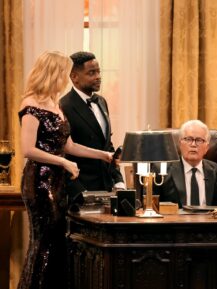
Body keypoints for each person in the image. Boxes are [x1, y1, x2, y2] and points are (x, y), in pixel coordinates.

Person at [17, 51, 113, 289]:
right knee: (44, 242)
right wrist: (63, 162)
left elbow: (68, 145)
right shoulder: (30, 103)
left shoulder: (54, 104)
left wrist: (103, 155)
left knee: (58, 241)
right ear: (53, 73)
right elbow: (27, 149)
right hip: (40, 181)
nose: (66, 78)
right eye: (63, 73)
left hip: (57, 182)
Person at [60, 51, 124, 195]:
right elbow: (63, 152)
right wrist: (79, 192)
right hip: (81, 189)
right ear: (74, 77)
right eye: (91, 73)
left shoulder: (101, 101)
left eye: (98, 72)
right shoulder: (64, 106)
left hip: (106, 186)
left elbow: (107, 145)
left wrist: (118, 180)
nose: (98, 77)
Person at [153, 120, 217, 208]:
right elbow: (152, 206)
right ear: (180, 144)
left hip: (208, 221)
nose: (193, 144)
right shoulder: (162, 172)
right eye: (188, 139)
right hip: (175, 221)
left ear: (206, 147)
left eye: (199, 140)